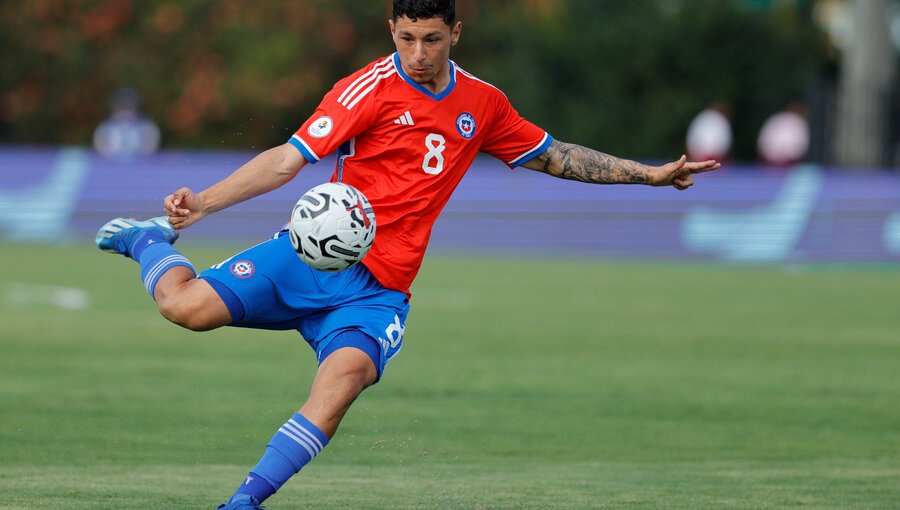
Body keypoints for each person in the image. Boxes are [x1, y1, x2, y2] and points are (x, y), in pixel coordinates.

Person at [95, 1, 720, 508]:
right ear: (391, 30)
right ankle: (146, 239)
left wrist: (648, 175)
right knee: (183, 309)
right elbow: (288, 159)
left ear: (456, 32)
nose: (418, 55)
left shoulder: (484, 104)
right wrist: (202, 204)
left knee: (339, 387)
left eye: (431, 39)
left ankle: (241, 504)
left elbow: (555, 156)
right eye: (406, 38)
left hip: (379, 291)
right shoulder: (364, 88)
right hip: (312, 256)